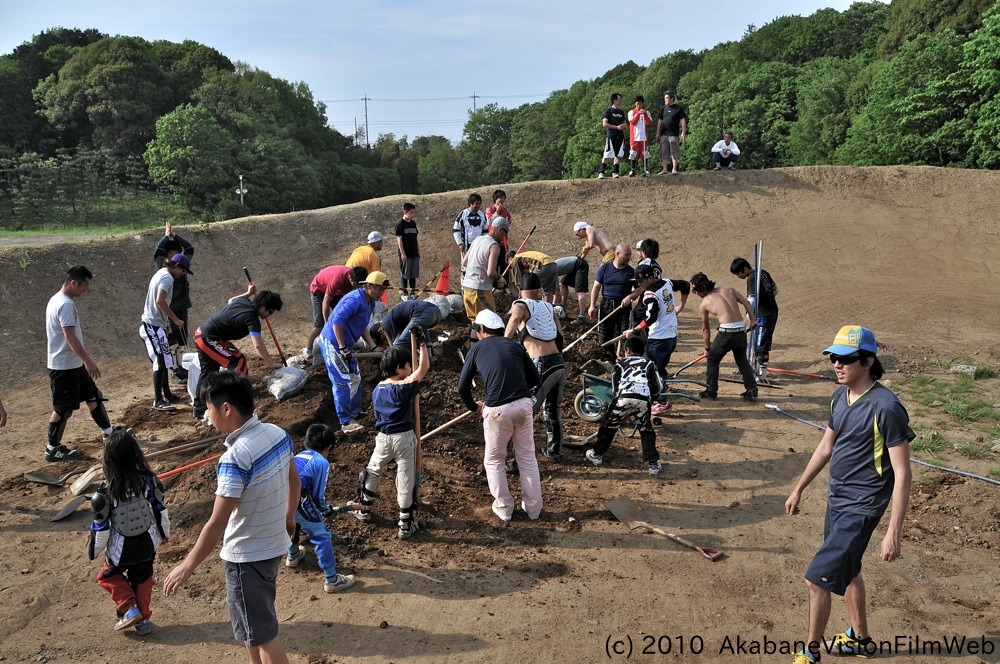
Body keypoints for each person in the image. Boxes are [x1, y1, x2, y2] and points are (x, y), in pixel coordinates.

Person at [785, 326, 914, 664]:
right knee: (849, 568)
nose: (837, 365)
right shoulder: (839, 397)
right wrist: (799, 488)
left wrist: (893, 531)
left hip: (863, 506)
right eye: (833, 358)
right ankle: (861, 639)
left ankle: (811, 653)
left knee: (817, 580)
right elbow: (826, 446)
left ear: (868, 360)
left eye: (845, 359)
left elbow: (902, 473)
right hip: (837, 499)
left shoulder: (886, 408)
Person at [163, 371, 300, 664]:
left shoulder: (235, 457)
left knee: (263, 634)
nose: (207, 415)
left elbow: (217, 522)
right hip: (273, 546)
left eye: (208, 407)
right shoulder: (277, 434)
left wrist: (188, 565)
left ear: (226, 408)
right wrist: (289, 518)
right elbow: (294, 482)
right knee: (252, 627)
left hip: (246, 558)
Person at [458, 310, 543, 522]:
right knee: (527, 458)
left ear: (481, 330)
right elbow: (535, 379)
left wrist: (472, 406)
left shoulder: (477, 348)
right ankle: (534, 510)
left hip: (497, 410)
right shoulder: (514, 345)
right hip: (523, 406)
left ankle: (504, 508)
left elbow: (462, 387)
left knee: (495, 459)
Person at [350, 330, 430, 540]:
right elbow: (424, 368)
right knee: (405, 477)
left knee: (373, 470)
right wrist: (422, 344)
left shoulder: (377, 389)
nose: (410, 368)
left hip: (383, 438)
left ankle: (364, 509)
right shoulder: (402, 388)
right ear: (399, 368)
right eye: (407, 365)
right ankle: (405, 523)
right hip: (404, 438)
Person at [88, 429, 169, 635]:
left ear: (108, 459)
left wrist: (94, 550)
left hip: (121, 548)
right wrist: (164, 534)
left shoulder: (106, 490)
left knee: (106, 576)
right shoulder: (148, 480)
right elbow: (160, 509)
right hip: (147, 543)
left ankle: (129, 607)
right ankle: (143, 622)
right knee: (143, 577)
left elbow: (102, 527)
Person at [45, 265, 114, 462]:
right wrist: (89, 362)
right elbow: (70, 338)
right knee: (62, 409)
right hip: (63, 366)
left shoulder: (56, 300)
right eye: (84, 285)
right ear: (73, 283)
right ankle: (52, 448)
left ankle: (109, 433)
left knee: (93, 395)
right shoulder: (65, 304)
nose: (85, 289)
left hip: (72, 364)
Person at [191, 289, 284, 421]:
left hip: (202, 334)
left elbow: (231, 300)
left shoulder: (243, 301)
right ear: (263, 307)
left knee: (209, 370)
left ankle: (200, 406)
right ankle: (239, 396)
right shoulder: (252, 318)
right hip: (209, 338)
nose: (269, 315)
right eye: (270, 311)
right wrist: (270, 363)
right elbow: (258, 345)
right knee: (238, 361)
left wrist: (248, 293)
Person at [285, 424, 357, 593]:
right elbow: (317, 495)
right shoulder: (321, 462)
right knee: (321, 535)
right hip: (297, 497)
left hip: (276, 498)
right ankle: (332, 580)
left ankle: (293, 554)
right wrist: (325, 509)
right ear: (329, 447)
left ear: (305, 442)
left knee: (293, 523)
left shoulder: (299, 455)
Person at [505, 273, 566, 461]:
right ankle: (553, 452)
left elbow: (513, 324)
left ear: (521, 291)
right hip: (558, 364)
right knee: (552, 409)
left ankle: (516, 460)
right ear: (539, 291)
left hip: (541, 364)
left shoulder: (520, 305)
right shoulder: (549, 307)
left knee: (525, 411)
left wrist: (500, 348)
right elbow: (561, 336)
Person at [321, 271, 388, 434]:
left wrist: (372, 346)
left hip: (346, 343)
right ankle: (345, 422)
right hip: (333, 343)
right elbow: (337, 321)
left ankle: (355, 412)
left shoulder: (370, 302)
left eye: (383, 289)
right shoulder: (354, 300)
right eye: (379, 289)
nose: (381, 292)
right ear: (368, 286)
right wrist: (343, 347)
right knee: (342, 381)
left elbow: (362, 325)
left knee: (355, 377)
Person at [586, 335, 663, 476]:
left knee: (609, 425)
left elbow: (615, 389)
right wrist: (652, 398)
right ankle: (653, 465)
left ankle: (596, 455)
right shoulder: (649, 364)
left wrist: (620, 406)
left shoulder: (620, 364)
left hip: (623, 398)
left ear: (627, 350)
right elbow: (657, 387)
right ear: (643, 350)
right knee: (646, 430)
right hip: (643, 400)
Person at [691, 272, 758, 401]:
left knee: (712, 360)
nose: (696, 294)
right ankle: (752, 390)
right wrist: (753, 320)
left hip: (726, 333)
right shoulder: (728, 289)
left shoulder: (705, 303)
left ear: (701, 289)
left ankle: (711, 392)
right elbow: (746, 303)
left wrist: (707, 348)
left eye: (695, 291)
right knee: (742, 361)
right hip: (741, 330)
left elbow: (705, 329)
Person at [623, 264, 679, 413]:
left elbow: (651, 317)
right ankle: (658, 398)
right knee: (658, 368)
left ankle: (661, 402)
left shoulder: (650, 294)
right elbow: (685, 285)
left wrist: (634, 330)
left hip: (659, 338)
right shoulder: (667, 283)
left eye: (641, 281)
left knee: (650, 370)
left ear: (650, 278)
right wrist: (682, 305)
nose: (639, 284)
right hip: (671, 335)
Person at [139, 254, 191, 411]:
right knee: (160, 361)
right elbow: (160, 301)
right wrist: (175, 319)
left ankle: (167, 395)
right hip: (151, 325)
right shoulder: (167, 278)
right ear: (177, 267)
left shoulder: (161, 272)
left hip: (157, 325)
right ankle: (158, 400)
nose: (183, 274)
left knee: (165, 360)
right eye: (183, 271)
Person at [461, 217, 508, 342]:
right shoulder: (494, 246)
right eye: (505, 232)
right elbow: (491, 272)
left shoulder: (478, 239)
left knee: (476, 323)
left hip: (467, 288)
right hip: (480, 290)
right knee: (491, 322)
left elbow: (465, 262)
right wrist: (500, 279)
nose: (504, 236)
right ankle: (488, 353)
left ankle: (473, 354)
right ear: (499, 230)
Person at [305, 265, 367, 359]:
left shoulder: (356, 279)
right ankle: (308, 349)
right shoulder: (338, 279)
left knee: (345, 317)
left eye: (359, 285)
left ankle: (343, 343)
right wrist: (326, 322)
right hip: (319, 290)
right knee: (319, 324)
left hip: (337, 292)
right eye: (355, 284)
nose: (357, 287)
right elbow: (326, 301)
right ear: (350, 278)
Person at [731, 256, 778, 374]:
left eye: (738, 274)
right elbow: (776, 290)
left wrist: (749, 314)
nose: (739, 277)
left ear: (745, 269)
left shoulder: (752, 278)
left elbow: (751, 300)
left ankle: (761, 371)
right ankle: (760, 368)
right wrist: (768, 299)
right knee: (764, 341)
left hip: (763, 314)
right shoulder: (763, 272)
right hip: (772, 311)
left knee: (760, 343)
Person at [158, 238, 194, 383]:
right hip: (171, 309)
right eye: (170, 252)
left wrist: (175, 235)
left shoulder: (182, 264)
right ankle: (173, 371)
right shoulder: (164, 269)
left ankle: (180, 367)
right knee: (171, 340)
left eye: (175, 252)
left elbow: (190, 248)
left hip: (183, 307)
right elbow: (158, 250)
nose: (173, 255)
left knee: (181, 340)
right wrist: (166, 237)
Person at [588, 243, 634, 348]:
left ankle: (624, 358)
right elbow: (596, 287)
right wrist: (592, 305)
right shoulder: (604, 269)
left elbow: (640, 289)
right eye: (626, 255)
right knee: (604, 334)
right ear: (618, 254)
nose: (629, 258)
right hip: (607, 305)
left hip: (624, 307)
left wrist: (630, 297)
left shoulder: (631, 272)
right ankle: (608, 359)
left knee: (625, 334)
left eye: (629, 255)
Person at [377, 298, 444, 350]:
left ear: (380, 331)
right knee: (421, 332)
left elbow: (395, 346)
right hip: (436, 312)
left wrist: (388, 353)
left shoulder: (385, 324)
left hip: (423, 313)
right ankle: (429, 357)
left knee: (399, 345)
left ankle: (403, 365)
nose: (384, 339)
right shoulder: (395, 318)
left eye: (383, 338)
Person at [452, 193, 489, 272]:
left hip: (478, 246)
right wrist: (459, 243)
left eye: (479, 203)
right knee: (466, 268)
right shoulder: (463, 214)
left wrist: (484, 243)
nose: (478, 205)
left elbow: (485, 230)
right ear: (470, 203)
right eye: (476, 203)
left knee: (477, 267)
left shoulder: (482, 215)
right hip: (466, 246)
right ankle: (465, 283)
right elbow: (456, 229)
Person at [347, 232, 386, 305]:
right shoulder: (372, 255)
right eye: (381, 241)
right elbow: (376, 278)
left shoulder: (359, 249)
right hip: (355, 280)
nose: (382, 244)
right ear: (377, 242)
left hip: (346, 276)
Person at [655, 91, 688, 175]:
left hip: (674, 133)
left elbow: (683, 120)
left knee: (674, 150)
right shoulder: (663, 108)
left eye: (666, 98)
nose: (665, 100)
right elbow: (660, 121)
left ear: (671, 99)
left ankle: (674, 169)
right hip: (664, 133)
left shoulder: (678, 108)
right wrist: (658, 132)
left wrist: (683, 132)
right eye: (665, 98)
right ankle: (664, 169)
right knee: (664, 150)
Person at [598, 92, 628, 179]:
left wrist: (623, 126)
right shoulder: (608, 111)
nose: (621, 101)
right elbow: (604, 124)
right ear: (614, 100)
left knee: (618, 155)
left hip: (620, 136)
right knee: (607, 154)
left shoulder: (621, 112)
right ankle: (601, 172)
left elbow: (624, 123)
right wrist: (616, 127)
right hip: (611, 135)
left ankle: (615, 172)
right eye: (619, 99)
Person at [554, 256, 591, 324]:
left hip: (580, 264)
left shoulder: (550, 271)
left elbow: (556, 290)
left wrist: (553, 305)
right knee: (564, 283)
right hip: (573, 266)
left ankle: (581, 316)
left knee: (580, 291)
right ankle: (562, 306)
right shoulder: (548, 270)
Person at [395, 202, 420, 300]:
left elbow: (416, 239)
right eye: (411, 213)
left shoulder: (413, 223)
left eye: (414, 213)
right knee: (405, 274)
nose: (413, 215)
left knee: (413, 274)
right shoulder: (400, 224)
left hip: (414, 253)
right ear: (405, 212)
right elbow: (399, 239)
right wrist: (402, 253)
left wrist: (418, 251)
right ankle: (405, 293)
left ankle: (413, 292)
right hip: (406, 254)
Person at [484, 189, 513, 273]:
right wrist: (497, 211)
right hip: (493, 241)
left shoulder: (505, 211)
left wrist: (506, 229)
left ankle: (505, 283)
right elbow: (489, 221)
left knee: (504, 264)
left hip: (503, 242)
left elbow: (510, 223)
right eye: (500, 197)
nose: (502, 200)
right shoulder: (489, 209)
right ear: (495, 198)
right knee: (494, 264)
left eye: (504, 198)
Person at [627, 95, 654, 176]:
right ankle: (632, 170)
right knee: (633, 153)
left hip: (644, 137)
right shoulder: (631, 112)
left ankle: (646, 169)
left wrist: (645, 114)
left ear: (642, 104)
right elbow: (632, 122)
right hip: (634, 137)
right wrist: (638, 114)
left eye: (640, 104)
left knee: (645, 153)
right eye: (637, 104)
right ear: (635, 104)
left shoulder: (647, 112)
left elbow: (649, 122)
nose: (639, 106)